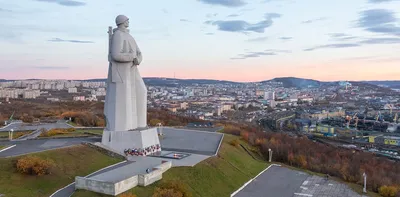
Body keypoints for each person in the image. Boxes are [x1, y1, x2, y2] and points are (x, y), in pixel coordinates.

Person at [104, 14, 147, 132]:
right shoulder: (118, 35)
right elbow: (116, 55)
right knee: (124, 99)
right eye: (127, 20)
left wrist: (138, 59)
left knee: (142, 91)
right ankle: (125, 127)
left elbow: (139, 52)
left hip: (132, 68)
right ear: (122, 22)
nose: (128, 21)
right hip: (122, 71)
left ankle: (141, 124)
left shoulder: (128, 35)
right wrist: (131, 57)